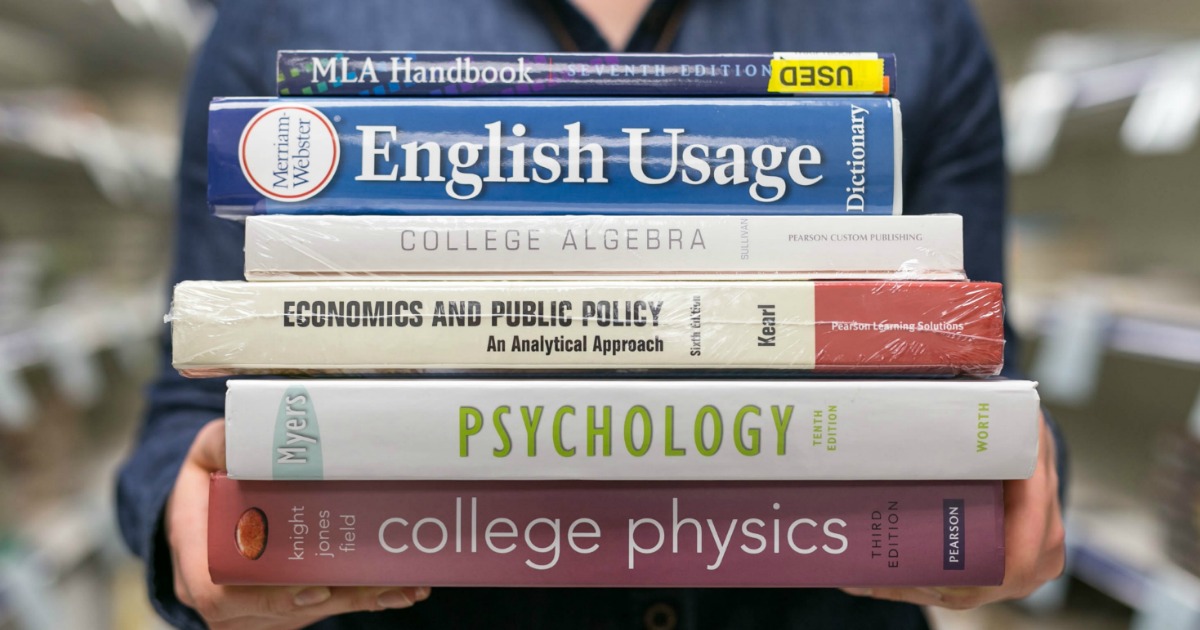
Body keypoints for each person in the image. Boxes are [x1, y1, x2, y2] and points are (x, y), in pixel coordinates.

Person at [116, 0, 1066, 627]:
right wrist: (187, 526)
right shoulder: (279, 16)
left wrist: (1008, 485)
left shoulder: (919, 20)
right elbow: (192, 404)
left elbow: (972, 361)